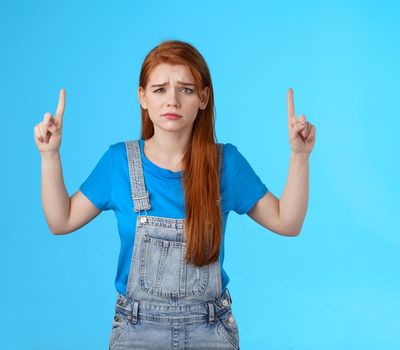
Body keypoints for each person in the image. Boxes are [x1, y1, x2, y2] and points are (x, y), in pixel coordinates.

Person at [34, 40, 316, 349]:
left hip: (211, 332)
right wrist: (50, 155)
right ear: (142, 98)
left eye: (186, 89)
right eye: (159, 90)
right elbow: (60, 221)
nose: (172, 100)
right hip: (136, 332)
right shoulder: (119, 163)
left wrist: (299, 156)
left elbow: (288, 222)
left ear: (203, 98)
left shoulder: (226, 164)